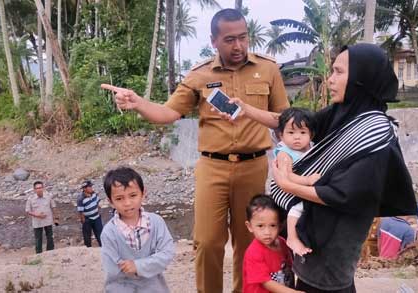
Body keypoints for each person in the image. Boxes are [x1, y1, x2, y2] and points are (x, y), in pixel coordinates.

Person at [101, 8, 289, 292]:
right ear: (214, 40)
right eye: (229, 39)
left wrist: (249, 111)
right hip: (213, 167)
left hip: (254, 166)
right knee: (208, 241)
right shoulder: (199, 75)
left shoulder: (269, 69)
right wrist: (138, 103)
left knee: (248, 240)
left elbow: (283, 120)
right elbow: (167, 113)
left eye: (243, 37)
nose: (238, 46)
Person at [268, 43, 418, 292]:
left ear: (360, 78)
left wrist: (286, 184)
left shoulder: (375, 132)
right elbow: (292, 123)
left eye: (338, 72)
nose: (329, 80)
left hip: (334, 247)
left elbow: (343, 194)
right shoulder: (345, 112)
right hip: (315, 236)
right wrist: (244, 111)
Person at [100, 166, 175, 292]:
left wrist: (138, 266)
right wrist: (151, 264)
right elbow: (112, 269)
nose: (127, 203)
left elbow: (167, 253)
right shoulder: (109, 232)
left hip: (154, 288)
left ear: (143, 193)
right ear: (110, 201)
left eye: (133, 195)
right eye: (119, 198)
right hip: (120, 288)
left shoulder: (156, 222)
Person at [274, 108, 319, 256]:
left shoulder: (311, 148)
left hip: (302, 189)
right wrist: (306, 180)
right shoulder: (284, 153)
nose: (297, 138)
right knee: (298, 207)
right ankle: (292, 238)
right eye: (291, 133)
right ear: (281, 135)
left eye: (302, 132)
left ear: (310, 134)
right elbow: (287, 175)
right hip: (289, 192)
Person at [243, 194, 302, 293]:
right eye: (260, 226)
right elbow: (266, 282)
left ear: (280, 226)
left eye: (273, 225)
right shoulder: (254, 252)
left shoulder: (283, 243)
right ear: (249, 226)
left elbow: (289, 268)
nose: (267, 232)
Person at [25, 181, 58, 254]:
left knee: (50, 238)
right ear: (34, 190)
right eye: (37, 188)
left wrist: (56, 218)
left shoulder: (48, 196)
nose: (39, 189)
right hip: (37, 222)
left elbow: (53, 207)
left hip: (48, 221)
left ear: (43, 188)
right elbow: (27, 211)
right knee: (38, 239)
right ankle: (39, 255)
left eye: (40, 188)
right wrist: (37, 215)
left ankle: (50, 253)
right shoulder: (30, 199)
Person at [77, 180, 103, 247]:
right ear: (84, 189)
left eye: (91, 186)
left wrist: (98, 211)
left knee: (100, 234)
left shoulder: (94, 194)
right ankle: (88, 249)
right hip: (87, 219)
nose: (91, 188)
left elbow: (98, 203)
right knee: (87, 236)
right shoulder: (81, 199)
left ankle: (103, 248)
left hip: (97, 217)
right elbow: (81, 211)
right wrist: (83, 220)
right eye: (89, 187)